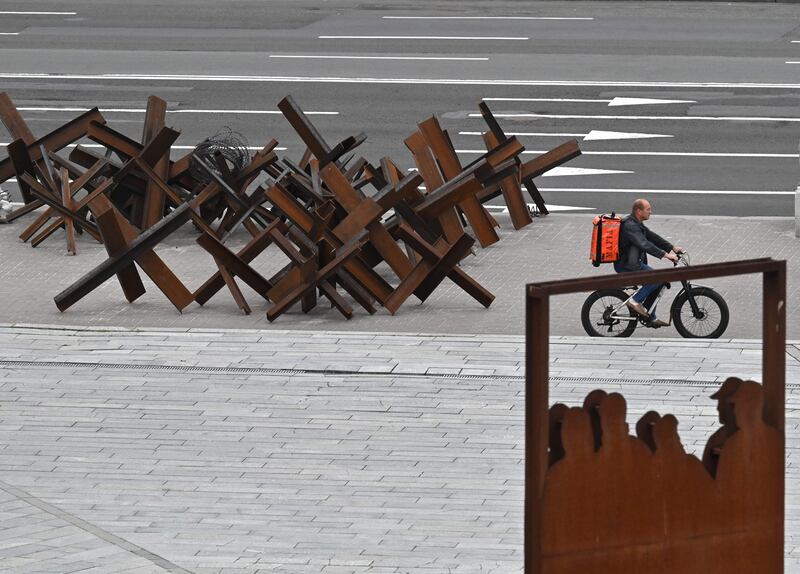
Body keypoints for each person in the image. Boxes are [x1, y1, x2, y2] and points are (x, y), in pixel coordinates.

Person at [614, 199, 683, 327]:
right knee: (656, 278)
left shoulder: (636, 223)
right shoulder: (630, 226)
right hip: (627, 266)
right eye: (648, 209)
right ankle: (635, 301)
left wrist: (671, 247)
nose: (651, 212)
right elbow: (644, 244)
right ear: (638, 211)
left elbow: (651, 236)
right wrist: (666, 255)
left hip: (634, 263)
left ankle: (651, 316)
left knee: (660, 281)